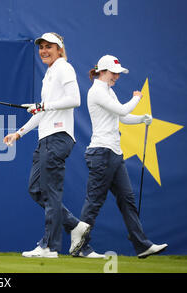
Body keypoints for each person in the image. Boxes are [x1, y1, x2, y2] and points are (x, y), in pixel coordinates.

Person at [3, 32, 90, 258]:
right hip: (45, 137)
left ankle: (49, 247)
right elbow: (43, 111)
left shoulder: (64, 67)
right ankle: (75, 225)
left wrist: (43, 105)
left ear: (59, 49)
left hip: (58, 136)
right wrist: (19, 133)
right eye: (41, 47)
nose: (43, 50)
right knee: (35, 189)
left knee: (51, 192)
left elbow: (75, 99)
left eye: (49, 47)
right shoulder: (50, 73)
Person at [77, 55, 168, 258]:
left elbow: (124, 117)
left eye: (118, 74)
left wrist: (141, 119)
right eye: (114, 73)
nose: (117, 77)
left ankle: (141, 244)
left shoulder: (109, 91)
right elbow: (122, 109)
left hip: (114, 154)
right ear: (102, 71)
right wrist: (137, 97)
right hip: (100, 153)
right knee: (94, 202)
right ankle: (81, 247)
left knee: (127, 200)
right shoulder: (96, 91)